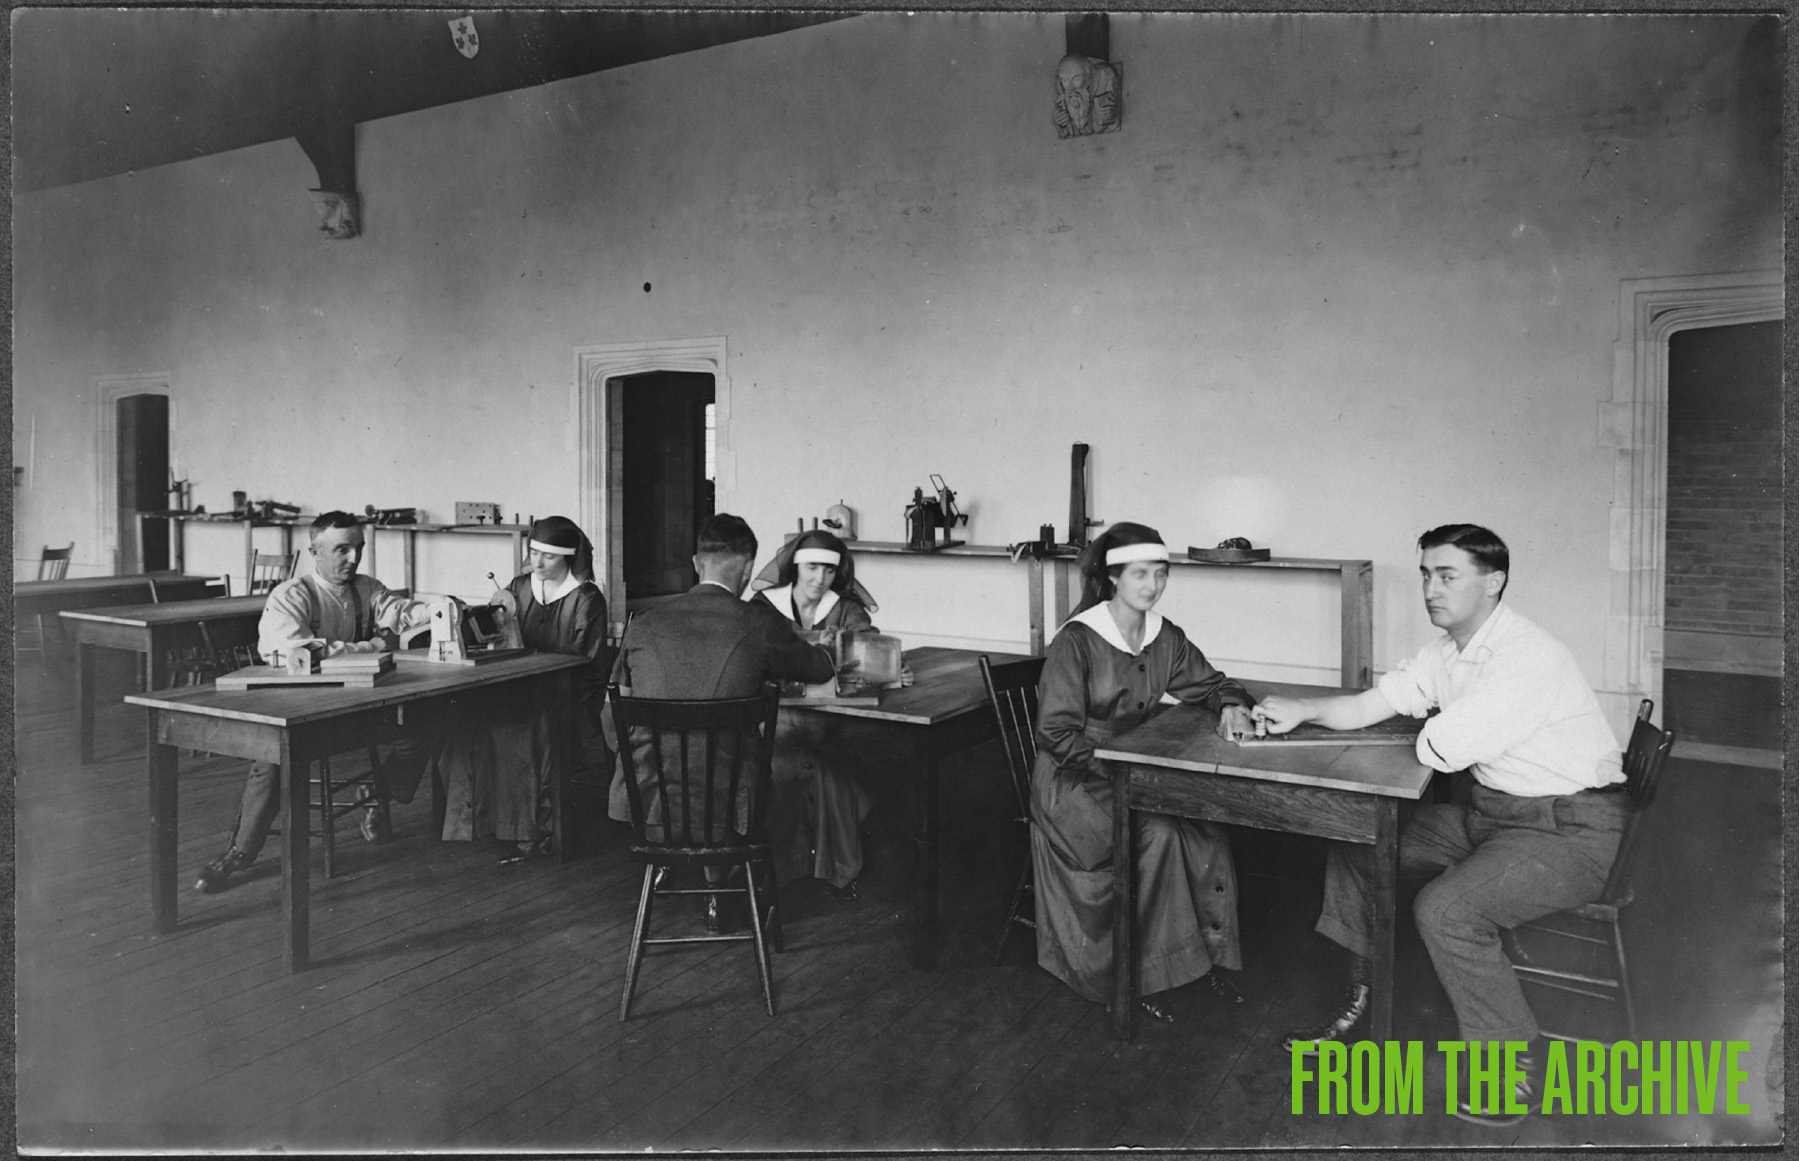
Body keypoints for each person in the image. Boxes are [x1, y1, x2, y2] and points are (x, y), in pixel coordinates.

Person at [1255, 524, 1625, 1127]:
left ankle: (1513, 1067)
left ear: (1493, 582)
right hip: (1496, 814)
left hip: (1571, 830)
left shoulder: (1525, 655)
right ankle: (1362, 1003)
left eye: (1447, 575)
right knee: (1360, 840)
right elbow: (1378, 702)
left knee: (1448, 911)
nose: (1430, 588)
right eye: (1427, 574)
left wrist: (1419, 721)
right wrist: (1305, 710)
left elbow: (1442, 749)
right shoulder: (1451, 649)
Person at [1032, 521, 1256, 1022]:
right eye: (1139, 574)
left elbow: (1213, 683)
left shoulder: (1164, 636)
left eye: (1161, 573)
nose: (1152, 586)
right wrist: (1124, 769)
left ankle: (1203, 962)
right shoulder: (1077, 640)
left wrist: (1231, 705)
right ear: (1112, 577)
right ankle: (1145, 975)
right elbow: (1056, 734)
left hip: (1130, 774)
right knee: (1158, 830)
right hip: (1074, 784)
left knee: (1204, 822)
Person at [607, 514, 840, 928]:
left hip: (650, 807)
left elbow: (611, 723)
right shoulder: (759, 622)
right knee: (787, 774)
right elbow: (819, 668)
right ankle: (726, 887)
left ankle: (682, 867)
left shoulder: (643, 624)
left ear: (697, 563)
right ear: (749, 570)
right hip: (733, 809)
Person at [194, 511, 435, 893]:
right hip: (300, 709)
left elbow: (399, 613)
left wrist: (438, 611)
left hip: (353, 705)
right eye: (342, 549)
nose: (353, 558)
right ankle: (240, 852)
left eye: (358, 548)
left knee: (422, 730)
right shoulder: (292, 595)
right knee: (272, 761)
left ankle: (376, 794)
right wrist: (372, 645)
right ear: (314, 551)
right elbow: (299, 652)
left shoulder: (366, 588)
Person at [438, 515, 609, 855]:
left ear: (568, 558)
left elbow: (587, 666)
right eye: (534, 553)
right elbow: (497, 635)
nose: (539, 562)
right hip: (517, 688)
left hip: (565, 698)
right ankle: (479, 822)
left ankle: (533, 827)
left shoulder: (587, 599)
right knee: (466, 723)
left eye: (549, 555)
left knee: (527, 728)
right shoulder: (517, 588)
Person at [750, 529, 880, 895]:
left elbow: (868, 655)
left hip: (833, 720)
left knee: (832, 771)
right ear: (794, 566)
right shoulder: (763, 608)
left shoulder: (847, 608)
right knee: (783, 769)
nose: (819, 579)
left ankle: (837, 869)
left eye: (827, 570)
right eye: (811, 568)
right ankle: (785, 871)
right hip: (776, 719)